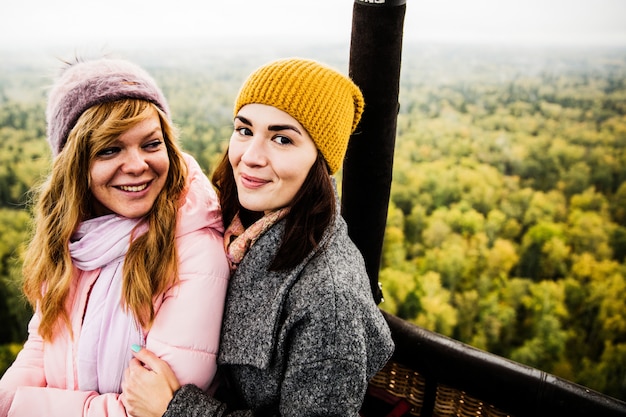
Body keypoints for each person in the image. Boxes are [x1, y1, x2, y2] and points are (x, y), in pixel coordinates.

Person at [122, 57, 394, 417]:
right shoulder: (234, 227)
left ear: (320, 160)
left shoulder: (329, 302)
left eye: (282, 139)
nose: (250, 157)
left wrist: (175, 410)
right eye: (245, 130)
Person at [0, 58, 230, 416]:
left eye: (151, 144)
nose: (137, 164)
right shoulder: (72, 243)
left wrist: (21, 406)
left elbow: (147, 408)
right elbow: (42, 345)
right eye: (110, 149)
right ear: (74, 166)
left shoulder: (195, 252)